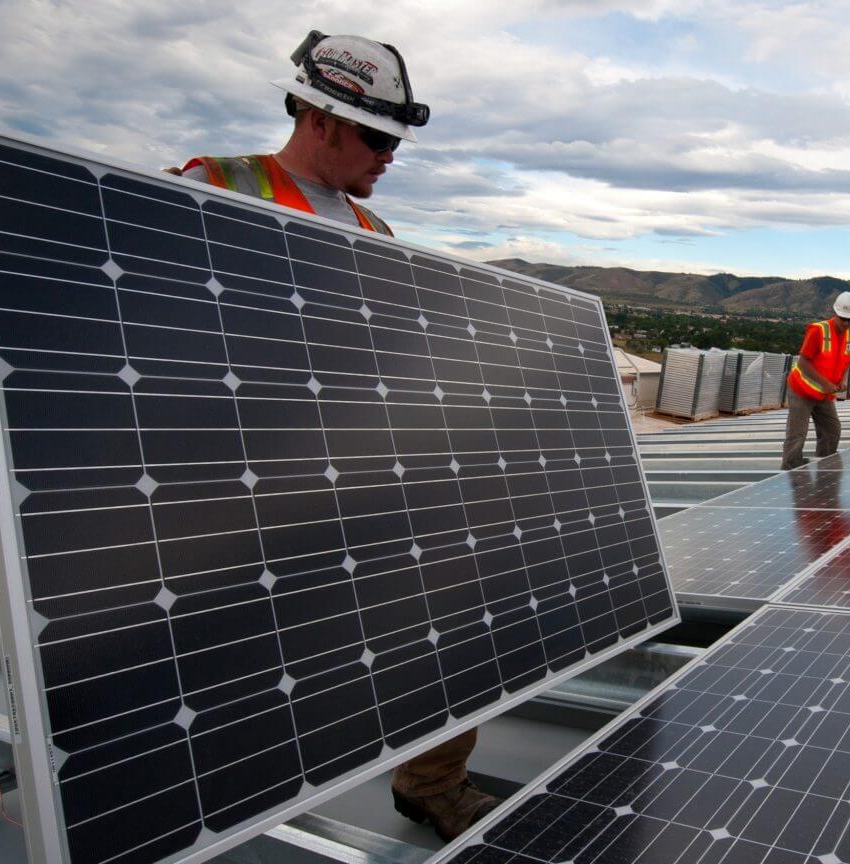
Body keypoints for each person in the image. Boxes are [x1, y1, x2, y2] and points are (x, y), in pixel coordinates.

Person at [177, 32, 498, 842]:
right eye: (377, 136)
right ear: (320, 118)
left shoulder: (374, 231)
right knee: (245, 666)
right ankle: (209, 812)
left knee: (453, 604)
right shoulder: (212, 186)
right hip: (241, 482)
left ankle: (433, 780)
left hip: (348, 472)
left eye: (395, 140)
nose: (391, 156)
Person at [781, 292, 850, 470]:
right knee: (797, 436)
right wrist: (825, 383)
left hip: (824, 394)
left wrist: (841, 381)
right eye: (843, 319)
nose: (846, 323)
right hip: (802, 390)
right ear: (835, 313)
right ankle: (789, 474)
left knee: (832, 431)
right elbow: (803, 363)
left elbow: (848, 362)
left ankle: (824, 470)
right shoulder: (819, 330)